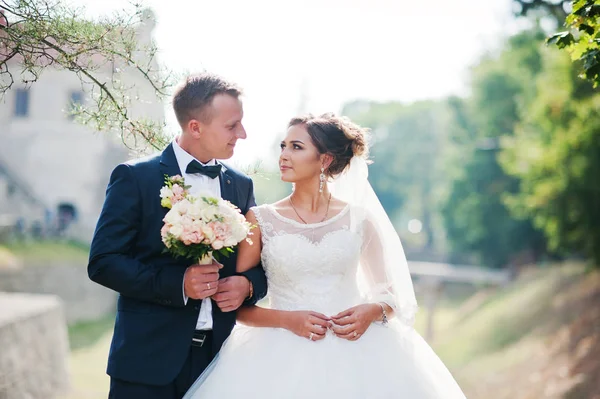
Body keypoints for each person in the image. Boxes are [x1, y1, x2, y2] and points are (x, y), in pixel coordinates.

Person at [184, 113, 466, 398]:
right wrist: (287, 320)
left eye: (296, 147)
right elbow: (239, 308)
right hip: (275, 355)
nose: (283, 155)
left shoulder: (359, 219)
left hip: (361, 352)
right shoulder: (259, 220)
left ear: (325, 160)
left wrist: (372, 311)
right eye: (283, 146)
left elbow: (390, 295)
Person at [88, 72, 268, 399]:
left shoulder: (241, 186)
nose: (242, 133)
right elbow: (103, 262)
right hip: (145, 363)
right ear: (195, 127)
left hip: (221, 364)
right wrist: (178, 285)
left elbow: (258, 265)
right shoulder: (135, 178)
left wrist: (248, 285)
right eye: (232, 125)